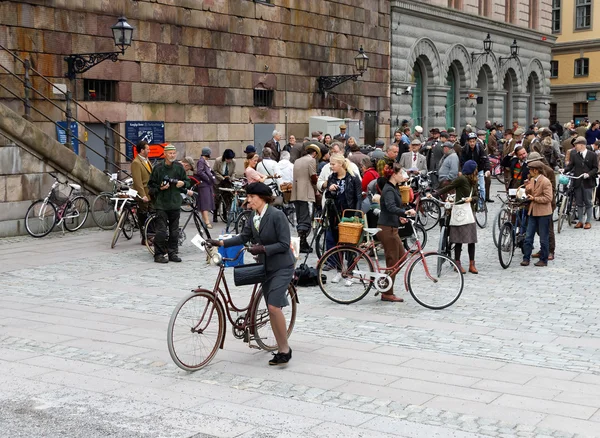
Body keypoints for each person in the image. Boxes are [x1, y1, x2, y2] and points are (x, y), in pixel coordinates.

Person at [206, 182, 294, 366]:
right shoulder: (253, 216)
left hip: (282, 266)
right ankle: (276, 342)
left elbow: (285, 245)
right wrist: (221, 243)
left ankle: (284, 349)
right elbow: (243, 237)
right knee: (271, 306)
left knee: (273, 307)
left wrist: (262, 248)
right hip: (265, 266)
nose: (249, 200)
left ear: (262, 198)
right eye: (249, 197)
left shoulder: (277, 216)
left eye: (252, 197)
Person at [376, 163, 416, 302]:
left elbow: (390, 209)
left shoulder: (393, 188)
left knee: (401, 258)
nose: (402, 175)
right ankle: (387, 292)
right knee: (392, 260)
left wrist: (400, 217)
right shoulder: (388, 189)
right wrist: (404, 212)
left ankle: (384, 282)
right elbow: (390, 206)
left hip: (392, 226)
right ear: (394, 174)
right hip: (386, 228)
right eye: (400, 173)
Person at [433, 160, 480, 274]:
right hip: (460, 212)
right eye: (475, 169)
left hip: (470, 212)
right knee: (459, 240)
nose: (476, 171)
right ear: (472, 170)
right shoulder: (462, 179)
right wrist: (434, 194)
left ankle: (471, 264)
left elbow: (477, 196)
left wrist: (471, 199)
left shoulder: (474, 181)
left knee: (471, 241)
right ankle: (457, 263)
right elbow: (449, 187)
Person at [148, 144, 191, 263]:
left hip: (175, 204)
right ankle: (158, 254)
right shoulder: (158, 168)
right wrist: (160, 188)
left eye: (174, 153)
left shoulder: (179, 167)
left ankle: (172, 252)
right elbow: (150, 186)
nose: (172, 155)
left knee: (174, 231)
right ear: (165, 154)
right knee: (161, 231)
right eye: (170, 153)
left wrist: (183, 183)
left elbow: (188, 182)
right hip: (161, 204)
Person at [324, 154, 362, 258]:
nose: (331, 166)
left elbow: (358, 197)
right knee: (335, 239)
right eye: (330, 164)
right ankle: (336, 263)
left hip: (349, 212)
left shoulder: (353, 178)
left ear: (340, 164)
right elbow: (328, 196)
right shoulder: (331, 177)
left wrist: (357, 214)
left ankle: (350, 265)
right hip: (335, 213)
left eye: (333, 164)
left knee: (350, 240)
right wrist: (329, 189)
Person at [520, 160, 553, 267]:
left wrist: (535, 198)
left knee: (543, 238)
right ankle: (526, 258)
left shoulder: (546, 181)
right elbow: (529, 192)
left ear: (536, 170)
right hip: (533, 212)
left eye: (530, 170)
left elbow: (548, 198)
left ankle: (543, 259)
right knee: (528, 236)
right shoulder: (533, 180)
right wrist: (527, 187)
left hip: (543, 213)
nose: (529, 171)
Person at [291, 144, 321, 253]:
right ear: (315, 153)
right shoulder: (311, 161)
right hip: (306, 192)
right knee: (306, 218)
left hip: (296, 192)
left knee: (300, 217)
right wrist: (317, 189)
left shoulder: (297, 161)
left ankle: (301, 242)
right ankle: (302, 243)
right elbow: (313, 177)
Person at [526, 152, 556, 261]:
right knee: (538, 229)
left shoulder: (549, 171)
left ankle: (550, 250)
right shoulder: (532, 172)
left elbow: (551, 191)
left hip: (547, 204)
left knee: (548, 229)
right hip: (534, 203)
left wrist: (537, 195)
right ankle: (543, 250)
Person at [564, 136, 599, 229]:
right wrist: (564, 170)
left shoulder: (592, 155)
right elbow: (570, 166)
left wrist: (589, 174)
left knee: (588, 202)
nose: (575, 147)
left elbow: (595, 168)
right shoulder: (574, 155)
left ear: (582, 145)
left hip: (588, 182)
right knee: (579, 202)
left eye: (576, 145)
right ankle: (580, 221)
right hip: (578, 181)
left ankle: (588, 221)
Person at [131, 140, 152, 245]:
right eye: (147, 148)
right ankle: (144, 238)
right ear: (142, 150)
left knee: (151, 215)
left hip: (150, 193)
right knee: (143, 217)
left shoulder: (147, 161)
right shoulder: (136, 162)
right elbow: (138, 181)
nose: (149, 150)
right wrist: (143, 195)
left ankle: (150, 236)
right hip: (143, 194)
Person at [461, 132, 490, 205]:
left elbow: (485, 159)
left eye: (473, 141)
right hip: (469, 171)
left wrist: (487, 170)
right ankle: (469, 202)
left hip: (479, 169)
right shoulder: (465, 149)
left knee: (482, 188)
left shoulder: (479, 148)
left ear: (476, 141)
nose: (472, 143)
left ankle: (481, 204)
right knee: (469, 187)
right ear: (468, 142)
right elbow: (462, 161)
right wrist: (463, 171)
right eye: (470, 142)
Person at [212, 149, 236, 223]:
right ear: (225, 157)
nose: (229, 161)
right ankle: (215, 214)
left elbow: (234, 172)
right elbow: (214, 171)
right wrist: (222, 178)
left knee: (227, 198)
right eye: (228, 159)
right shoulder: (218, 160)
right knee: (217, 197)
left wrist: (231, 178)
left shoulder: (233, 162)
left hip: (227, 181)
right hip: (219, 180)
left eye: (231, 159)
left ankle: (225, 214)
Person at [194, 147, 216, 229]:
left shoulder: (203, 161)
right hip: (204, 185)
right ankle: (207, 222)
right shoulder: (201, 161)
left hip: (206, 184)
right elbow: (200, 172)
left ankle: (204, 220)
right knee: (205, 203)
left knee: (205, 202)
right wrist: (207, 178)